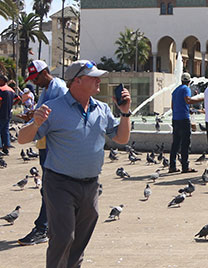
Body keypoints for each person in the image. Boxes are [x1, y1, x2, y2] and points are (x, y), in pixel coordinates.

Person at [17, 60, 132, 268]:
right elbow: (22, 139)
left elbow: (122, 138)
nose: (99, 80)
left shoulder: (102, 108)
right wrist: (35, 122)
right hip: (60, 184)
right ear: (77, 81)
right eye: (93, 77)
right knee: (63, 238)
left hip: (91, 186)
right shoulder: (53, 108)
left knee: (79, 242)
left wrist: (125, 112)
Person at [17, 60, 68, 246]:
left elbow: (63, 114)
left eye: (35, 77)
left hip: (55, 146)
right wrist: (32, 116)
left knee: (50, 187)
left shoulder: (59, 88)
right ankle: (53, 226)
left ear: (45, 72)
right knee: (51, 187)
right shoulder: (47, 89)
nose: (34, 82)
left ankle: (43, 228)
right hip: (46, 144)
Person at [170, 72, 200, 173]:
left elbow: (172, 106)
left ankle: (172, 166)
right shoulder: (186, 89)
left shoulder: (175, 90)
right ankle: (185, 167)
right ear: (189, 81)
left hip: (175, 119)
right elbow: (188, 100)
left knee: (175, 143)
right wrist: (198, 100)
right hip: (184, 119)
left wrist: (186, 109)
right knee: (185, 143)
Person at [0, 74, 14, 154]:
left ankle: (0, 147)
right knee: (5, 131)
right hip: (8, 113)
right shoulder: (11, 90)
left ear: (2, 80)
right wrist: (11, 105)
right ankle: (6, 147)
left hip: (1, 113)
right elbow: (18, 98)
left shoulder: (1, 90)